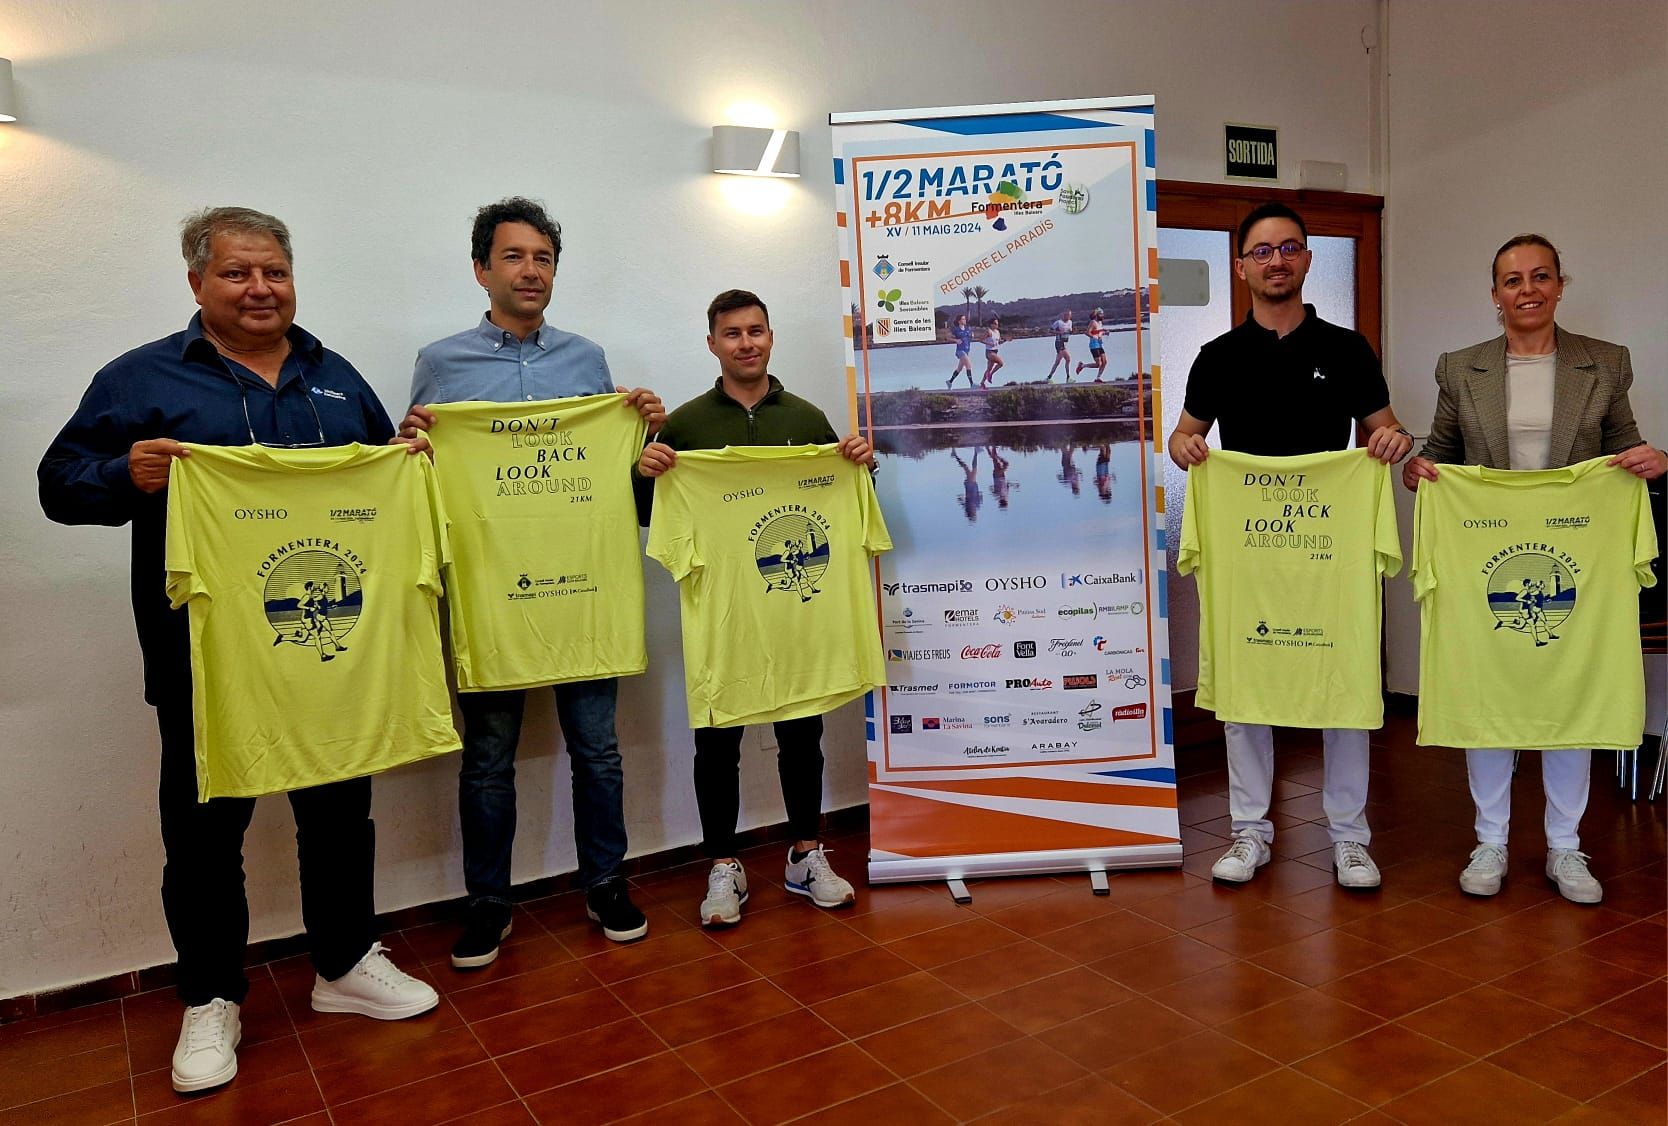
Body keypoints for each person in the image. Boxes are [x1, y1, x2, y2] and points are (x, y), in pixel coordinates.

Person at [38, 207, 437, 1095]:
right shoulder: (139, 380)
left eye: (275, 273)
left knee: (340, 813)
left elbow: (384, 479)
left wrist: (411, 458)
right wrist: (122, 474)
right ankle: (211, 996)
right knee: (205, 834)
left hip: (331, 648)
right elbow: (57, 487)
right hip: (203, 658)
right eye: (237, 274)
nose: (261, 289)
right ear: (197, 283)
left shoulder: (335, 379)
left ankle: (342, 965)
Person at [397, 197, 665, 965]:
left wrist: (642, 433)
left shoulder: (588, 360)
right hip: (491, 593)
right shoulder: (442, 363)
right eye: (514, 257)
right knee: (486, 758)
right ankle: (488, 902)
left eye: (543, 257)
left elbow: (611, 476)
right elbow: (417, 479)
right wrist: (410, 446)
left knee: (599, 751)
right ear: (482, 269)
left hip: (583, 588)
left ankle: (606, 883)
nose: (531, 270)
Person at [1402, 232, 1666, 905]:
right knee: (1487, 688)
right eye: (1513, 280)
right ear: (1495, 295)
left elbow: (1622, 447)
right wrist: (1420, 472)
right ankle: (1489, 839)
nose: (1528, 289)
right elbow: (1441, 452)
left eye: (1540, 276)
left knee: (1568, 689)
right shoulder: (1461, 367)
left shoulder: (1603, 363)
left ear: (1559, 284)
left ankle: (1565, 849)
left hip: (1573, 553)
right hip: (1488, 550)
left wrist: (1650, 460)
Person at [1167, 201, 1414, 891]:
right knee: (1246, 689)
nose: (1277, 260)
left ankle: (1350, 838)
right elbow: (1182, 437)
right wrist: (1185, 444)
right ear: (1243, 265)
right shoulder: (1218, 357)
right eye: (1263, 250)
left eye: (1290, 248)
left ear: (1306, 260)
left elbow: (1387, 432)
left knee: (1345, 682)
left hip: (1327, 548)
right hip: (1249, 549)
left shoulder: (1347, 349)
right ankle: (1249, 832)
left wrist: (1394, 442)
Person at [635, 289, 874, 927]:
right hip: (725, 618)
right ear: (712, 343)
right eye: (733, 333)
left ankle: (804, 853)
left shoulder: (807, 417)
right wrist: (646, 472)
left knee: (804, 733)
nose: (747, 343)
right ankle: (722, 866)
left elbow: (848, 505)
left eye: (757, 331)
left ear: (771, 338)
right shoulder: (683, 425)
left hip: (799, 613)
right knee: (717, 740)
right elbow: (650, 519)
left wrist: (858, 466)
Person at [1076, 308, 1108, 381]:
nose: (1102, 316)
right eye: (1101, 314)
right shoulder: (1093, 322)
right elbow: (1087, 332)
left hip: (1100, 344)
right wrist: (1094, 337)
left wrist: (1104, 332)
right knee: (1098, 364)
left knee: (1104, 362)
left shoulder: (1100, 323)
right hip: (1094, 345)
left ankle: (1098, 378)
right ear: (1097, 315)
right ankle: (1082, 366)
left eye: (1103, 314)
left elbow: (1098, 332)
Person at [946, 313, 975, 388]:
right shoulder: (956, 329)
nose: (964, 320)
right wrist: (955, 340)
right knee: (968, 365)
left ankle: (950, 381)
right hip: (960, 351)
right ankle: (972, 384)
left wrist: (972, 336)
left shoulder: (968, 328)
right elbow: (947, 337)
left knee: (959, 368)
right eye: (963, 319)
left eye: (965, 319)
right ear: (959, 321)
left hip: (966, 350)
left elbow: (970, 337)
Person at [1046, 308, 1074, 381]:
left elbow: (1070, 330)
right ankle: (1067, 377)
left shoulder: (1070, 322)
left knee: (1063, 360)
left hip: (1065, 343)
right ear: (1064, 315)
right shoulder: (1058, 322)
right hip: (1059, 342)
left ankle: (1049, 377)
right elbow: (1050, 330)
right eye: (1067, 315)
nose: (1068, 316)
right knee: (1065, 359)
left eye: (1070, 315)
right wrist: (1059, 333)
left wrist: (1070, 331)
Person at [980, 317, 1004, 387]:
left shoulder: (997, 332)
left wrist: (1005, 340)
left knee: (989, 368)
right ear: (991, 324)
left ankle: (982, 383)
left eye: (997, 324)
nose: (997, 325)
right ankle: (990, 375)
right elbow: (980, 340)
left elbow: (999, 342)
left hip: (995, 351)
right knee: (1001, 363)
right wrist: (989, 344)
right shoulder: (989, 331)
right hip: (989, 352)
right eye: (995, 324)